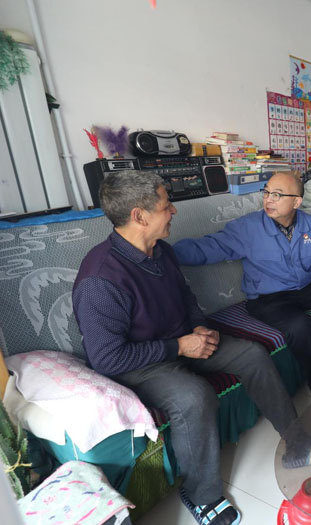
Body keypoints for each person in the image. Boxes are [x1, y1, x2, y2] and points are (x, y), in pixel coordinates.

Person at [73, 171, 297, 525]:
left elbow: (186, 297)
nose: (174, 211)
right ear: (139, 216)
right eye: (166, 205)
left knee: (252, 354)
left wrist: (198, 327)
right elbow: (107, 359)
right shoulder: (100, 279)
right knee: (194, 397)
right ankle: (202, 495)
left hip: (182, 340)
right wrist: (178, 346)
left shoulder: (160, 251)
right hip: (139, 364)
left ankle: (296, 437)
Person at [173, 172, 311, 397]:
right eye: (266, 193)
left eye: (277, 195)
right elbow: (208, 248)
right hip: (267, 298)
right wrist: (164, 252)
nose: (268, 199)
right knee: (299, 325)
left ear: (296, 202)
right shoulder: (248, 227)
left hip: (304, 288)